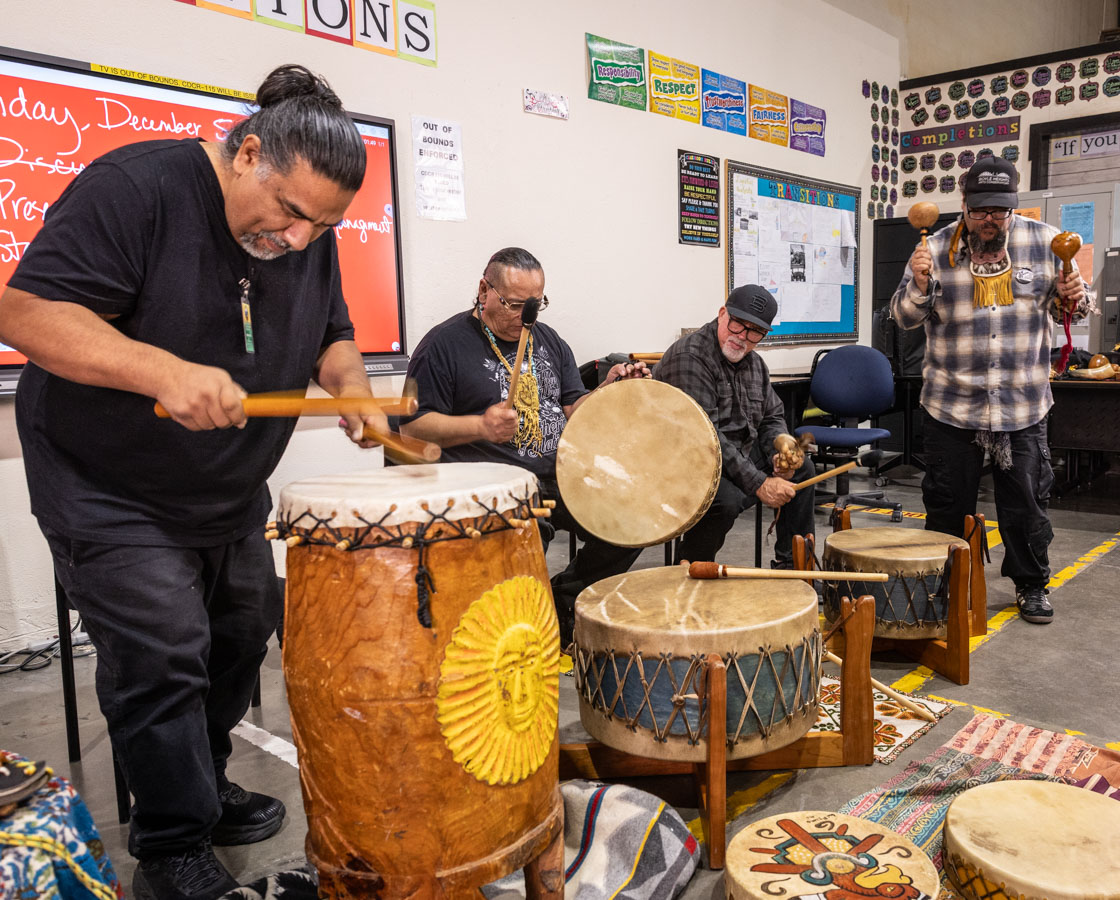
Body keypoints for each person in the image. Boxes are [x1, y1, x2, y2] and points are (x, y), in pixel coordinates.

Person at [0, 65, 386, 900]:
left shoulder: (307, 232)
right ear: (247, 153)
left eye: (322, 226)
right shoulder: (137, 188)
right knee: (165, 652)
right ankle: (171, 844)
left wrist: (351, 386)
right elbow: (25, 311)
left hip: (225, 487)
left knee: (242, 635)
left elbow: (333, 333)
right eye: (289, 212)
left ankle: (201, 787)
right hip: (108, 484)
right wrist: (161, 371)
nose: (299, 239)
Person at [400, 247, 648, 645]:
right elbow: (412, 428)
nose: (525, 316)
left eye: (535, 305)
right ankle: (521, 625)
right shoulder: (443, 345)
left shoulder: (547, 340)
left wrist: (608, 390)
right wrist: (480, 426)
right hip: (497, 487)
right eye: (515, 305)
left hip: (561, 474)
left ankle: (564, 602)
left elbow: (573, 408)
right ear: (484, 290)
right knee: (529, 537)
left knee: (635, 515)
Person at [890, 157, 1090, 625]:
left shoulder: (1047, 243)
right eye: (980, 211)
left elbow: (1074, 311)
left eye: (999, 211)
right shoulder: (933, 248)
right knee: (946, 505)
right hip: (952, 405)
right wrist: (919, 284)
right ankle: (944, 584)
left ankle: (1031, 584)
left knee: (1027, 506)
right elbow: (902, 317)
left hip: (1022, 405)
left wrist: (1075, 296)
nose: (989, 220)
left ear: (1012, 207)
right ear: (964, 204)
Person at [654, 284, 816, 567]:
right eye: (738, 324)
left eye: (755, 332)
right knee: (724, 501)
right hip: (685, 463)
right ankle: (692, 568)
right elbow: (707, 437)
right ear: (722, 314)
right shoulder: (691, 357)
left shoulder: (755, 364)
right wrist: (759, 483)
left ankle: (793, 569)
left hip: (730, 458)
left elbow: (771, 416)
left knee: (803, 470)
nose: (742, 337)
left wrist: (780, 449)